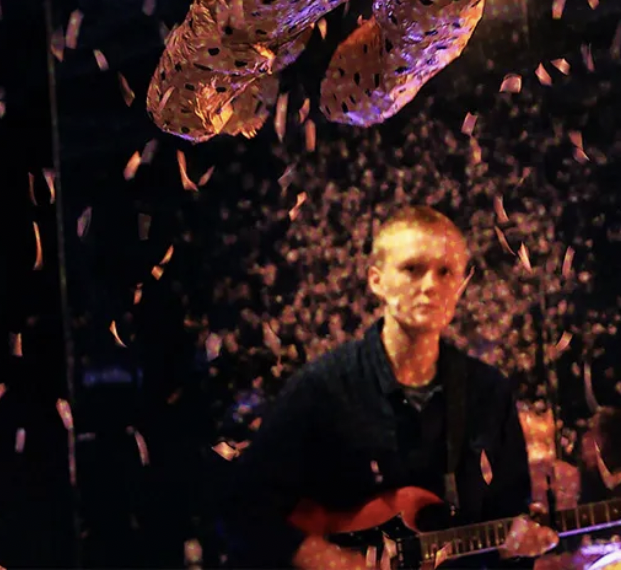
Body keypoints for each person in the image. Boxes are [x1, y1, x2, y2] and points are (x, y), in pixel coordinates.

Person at [220, 206, 560, 569]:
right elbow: (243, 508)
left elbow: (509, 518)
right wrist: (328, 559)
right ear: (376, 281)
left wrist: (515, 549)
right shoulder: (323, 387)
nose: (430, 285)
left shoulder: (488, 392)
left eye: (445, 272)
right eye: (412, 269)